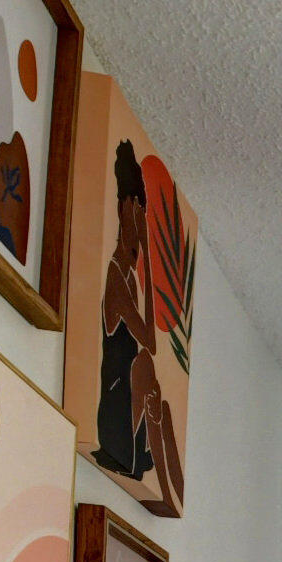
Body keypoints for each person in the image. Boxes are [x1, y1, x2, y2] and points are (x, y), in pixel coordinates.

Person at [94, 142, 183, 511]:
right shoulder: (116, 277)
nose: (140, 221)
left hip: (131, 397)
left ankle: (175, 488)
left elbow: (148, 342)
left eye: (143, 212)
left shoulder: (129, 276)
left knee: (154, 386)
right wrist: (145, 248)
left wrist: (144, 267)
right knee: (146, 366)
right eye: (137, 211)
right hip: (117, 408)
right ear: (122, 208)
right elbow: (150, 339)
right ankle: (170, 485)